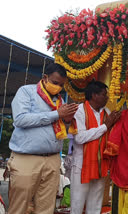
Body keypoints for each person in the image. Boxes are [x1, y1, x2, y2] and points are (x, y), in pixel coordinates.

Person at [7, 63, 78, 214]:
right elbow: (20, 120)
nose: (58, 87)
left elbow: (61, 131)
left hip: (52, 160)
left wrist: (66, 120)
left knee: (46, 208)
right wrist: (57, 114)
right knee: (19, 207)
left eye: (61, 85)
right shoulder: (26, 92)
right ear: (45, 78)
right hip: (27, 159)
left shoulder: (60, 101)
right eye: (55, 82)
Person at [71, 81, 121, 214]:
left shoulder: (107, 112)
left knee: (96, 204)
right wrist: (105, 126)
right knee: (77, 203)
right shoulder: (79, 111)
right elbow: (80, 138)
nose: (107, 98)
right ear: (94, 95)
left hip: (100, 164)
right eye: (104, 95)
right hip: (82, 165)